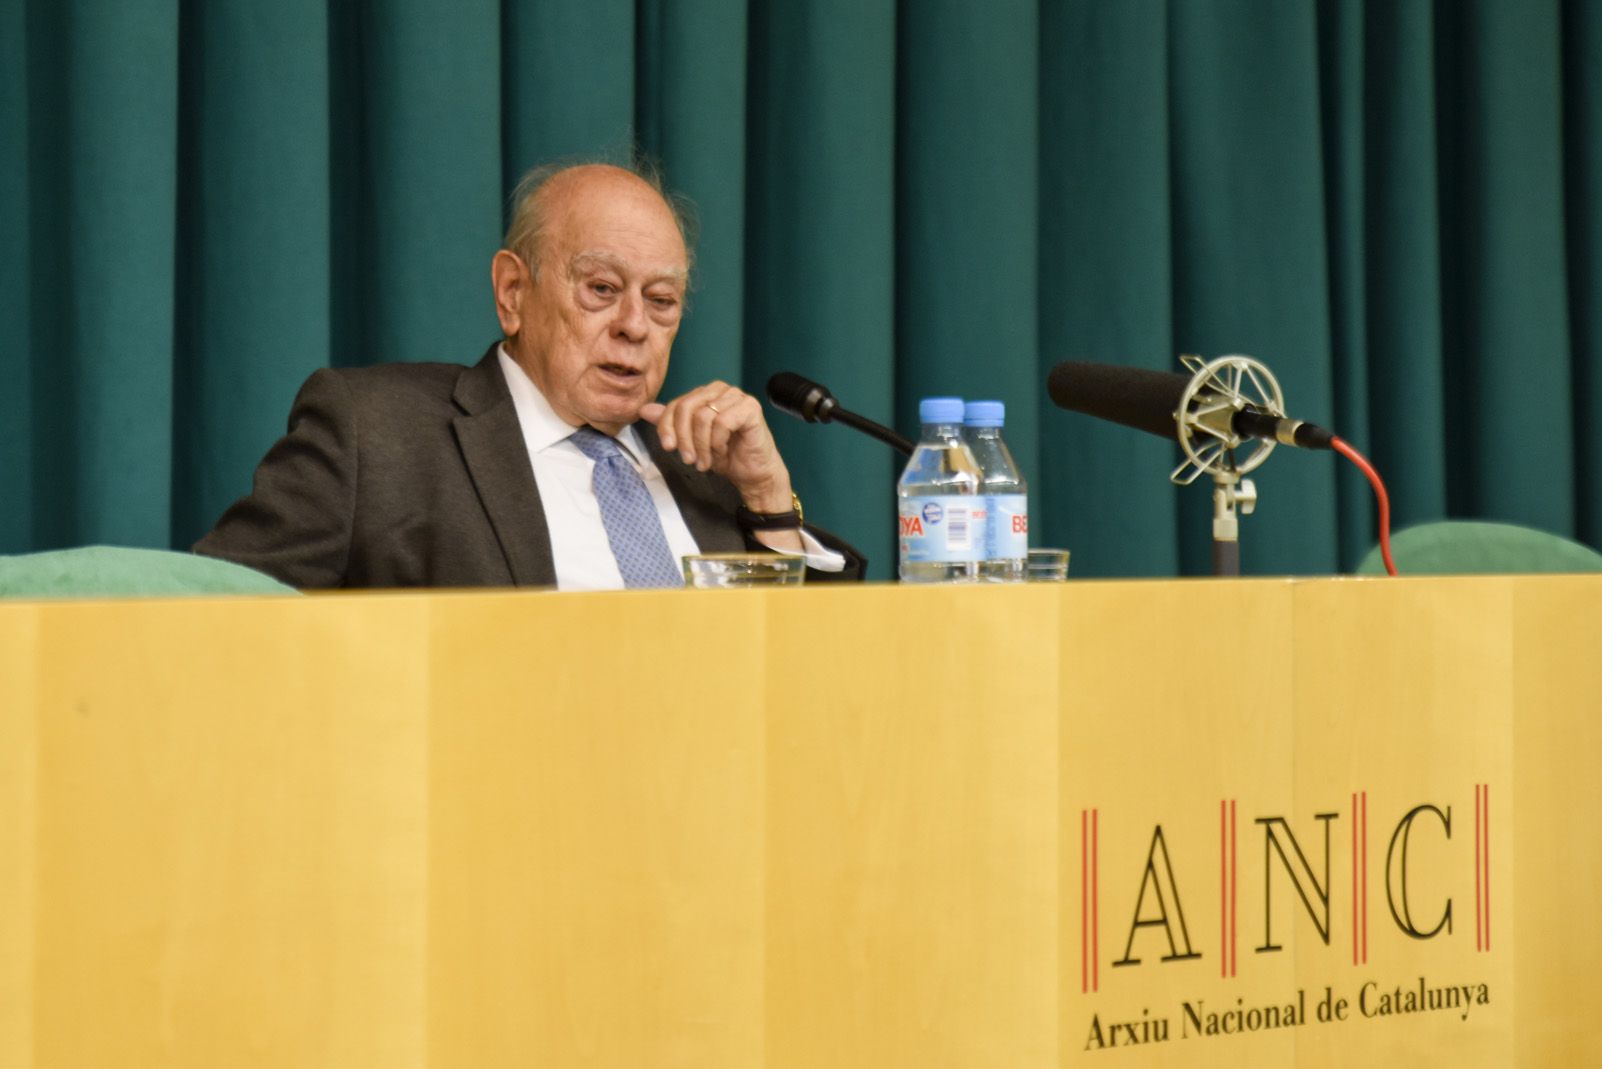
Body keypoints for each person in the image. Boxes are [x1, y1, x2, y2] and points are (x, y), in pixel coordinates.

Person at [194, 161, 864, 589]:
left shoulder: (704, 469)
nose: (635, 325)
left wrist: (769, 499)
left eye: (661, 301)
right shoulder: (375, 433)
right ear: (513, 292)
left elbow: (819, 680)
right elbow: (213, 614)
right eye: (601, 289)